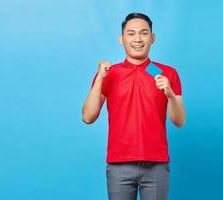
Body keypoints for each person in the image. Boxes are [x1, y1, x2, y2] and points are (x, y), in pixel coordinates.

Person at [82, 12, 186, 200]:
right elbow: (88, 117)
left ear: (152, 38)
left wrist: (170, 94)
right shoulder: (110, 73)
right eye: (131, 33)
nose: (137, 39)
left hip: (156, 164)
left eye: (144, 33)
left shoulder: (164, 73)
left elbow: (179, 121)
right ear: (121, 39)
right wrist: (99, 80)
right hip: (119, 164)